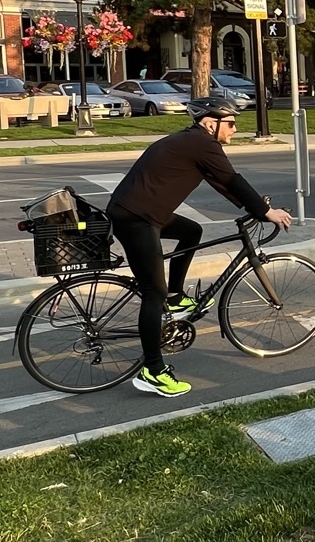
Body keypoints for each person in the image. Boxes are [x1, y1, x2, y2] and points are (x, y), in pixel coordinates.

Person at [108, 96, 292, 398]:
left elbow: (219, 180)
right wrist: (265, 212)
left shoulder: (194, 142)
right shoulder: (202, 143)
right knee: (153, 294)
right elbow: (232, 179)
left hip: (140, 211)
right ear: (210, 123)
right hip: (137, 218)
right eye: (230, 123)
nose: (234, 129)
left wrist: (253, 206)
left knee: (192, 230)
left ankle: (177, 297)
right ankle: (152, 371)